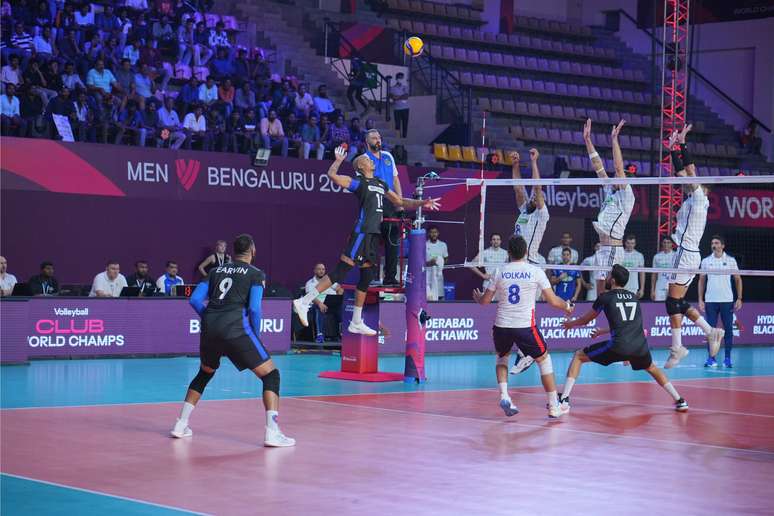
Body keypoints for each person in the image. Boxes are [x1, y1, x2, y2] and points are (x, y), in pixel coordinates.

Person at [292, 146, 440, 335]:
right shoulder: (359, 183)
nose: (371, 161)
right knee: (341, 271)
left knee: (367, 275)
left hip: (373, 235)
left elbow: (400, 202)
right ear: (361, 166)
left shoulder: (380, 183)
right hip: (362, 232)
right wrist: (338, 160)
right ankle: (304, 302)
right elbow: (333, 176)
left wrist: (422, 203)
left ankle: (356, 321)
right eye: (367, 160)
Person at [170, 234, 295, 447]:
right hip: (237, 329)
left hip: (210, 328)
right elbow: (255, 308)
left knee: (205, 372)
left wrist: (210, 317)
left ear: (233, 252)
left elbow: (194, 300)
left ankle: (180, 425)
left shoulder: (214, 271)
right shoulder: (255, 274)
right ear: (253, 250)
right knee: (271, 375)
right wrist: (255, 334)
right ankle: (272, 432)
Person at [560, 264, 689, 413]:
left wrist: (570, 324)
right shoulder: (634, 297)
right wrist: (602, 331)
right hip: (640, 346)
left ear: (613, 280)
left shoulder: (605, 298)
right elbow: (628, 324)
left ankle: (564, 399)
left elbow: (585, 320)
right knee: (652, 368)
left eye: (609, 275)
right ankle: (680, 400)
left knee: (579, 356)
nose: (607, 277)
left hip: (619, 346)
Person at [473, 235, 574, 418]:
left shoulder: (499, 271)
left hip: (502, 325)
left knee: (502, 358)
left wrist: (478, 298)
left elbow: (485, 301)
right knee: (543, 358)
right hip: (525, 326)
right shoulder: (535, 271)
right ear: (526, 252)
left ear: (508, 253)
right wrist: (567, 307)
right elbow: (552, 300)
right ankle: (554, 406)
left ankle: (504, 395)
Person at [662, 124, 724, 368]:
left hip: (686, 253)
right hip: (690, 254)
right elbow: (681, 172)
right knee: (678, 302)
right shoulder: (691, 198)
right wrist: (672, 148)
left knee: (671, 301)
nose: (691, 181)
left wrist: (683, 143)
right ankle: (710, 331)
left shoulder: (700, 198)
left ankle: (677, 347)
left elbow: (689, 169)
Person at [584, 118, 635, 295]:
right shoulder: (610, 189)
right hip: (603, 249)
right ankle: (601, 323)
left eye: (619, 176)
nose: (614, 176)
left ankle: (616, 323)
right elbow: (598, 166)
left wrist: (614, 139)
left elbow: (619, 168)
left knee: (610, 296)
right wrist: (588, 140)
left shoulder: (627, 195)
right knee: (600, 297)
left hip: (613, 249)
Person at [363, 129, 403, 286]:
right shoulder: (364, 159)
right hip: (374, 201)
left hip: (391, 201)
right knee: (372, 242)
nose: (377, 140)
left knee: (393, 241)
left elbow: (396, 179)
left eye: (379, 137)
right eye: (374, 138)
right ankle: (370, 277)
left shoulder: (388, 156)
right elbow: (366, 185)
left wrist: (399, 202)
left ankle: (390, 277)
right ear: (367, 142)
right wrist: (375, 208)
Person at [698, 235, 742, 368]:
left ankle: (727, 358)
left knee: (728, 330)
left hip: (727, 300)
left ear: (722, 246)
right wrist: (701, 299)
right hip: (710, 301)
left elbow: (738, 279)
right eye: (712, 243)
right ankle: (711, 358)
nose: (714, 245)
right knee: (710, 331)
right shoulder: (706, 261)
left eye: (716, 243)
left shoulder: (730, 261)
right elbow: (701, 280)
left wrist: (739, 298)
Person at [512, 149, 549, 264]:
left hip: (529, 260)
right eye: (533, 196)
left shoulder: (542, 214)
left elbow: (537, 188)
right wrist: (515, 164)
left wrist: (534, 162)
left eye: (538, 197)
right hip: (514, 259)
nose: (534, 197)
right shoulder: (524, 210)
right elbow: (518, 189)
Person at [305, 263, 344, 344]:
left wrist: (338, 297)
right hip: (317, 305)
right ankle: (320, 335)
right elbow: (310, 297)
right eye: (319, 269)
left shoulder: (329, 281)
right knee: (319, 308)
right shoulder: (310, 283)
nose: (321, 271)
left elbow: (340, 289)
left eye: (323, 269)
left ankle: (343, 333)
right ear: (315, 270)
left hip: (331, 304)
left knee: (342, 308)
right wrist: (320, 303)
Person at [425, 226, 449, 301]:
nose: (434, 234)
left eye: (435, 232)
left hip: (438, 276)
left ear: (438, 233)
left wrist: (440, 263)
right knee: (429, 298)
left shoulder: (443, 245)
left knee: (440, 297)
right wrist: (430, 263)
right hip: (428, 276)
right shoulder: (424, 245)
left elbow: (446, 259)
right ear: (429, 234)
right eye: (432, 232)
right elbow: (421, 262)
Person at [650, 237, 674, 302]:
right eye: (664, 242)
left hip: (672, 286)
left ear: (672, 244)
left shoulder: (675, 256)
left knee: (671, 307)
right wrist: (652, 290)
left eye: (668, 243)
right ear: (662, 244)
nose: (666, 244)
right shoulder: (657, 257)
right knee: (659, 308)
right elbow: (654, 275)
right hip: (659, 287)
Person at [621, 234, 645, 298]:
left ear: (635, 244)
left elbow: (642, 274)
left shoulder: (639, 255)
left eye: (632, 243)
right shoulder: (619, 254)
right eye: (628, 243)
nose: (630, 245)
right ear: (625, 243)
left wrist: (642, 289)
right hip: (621, 286)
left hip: (633, 286)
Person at [390, 72, 409, 138]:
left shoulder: (405, 87)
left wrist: (397, 97)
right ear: (396, 78)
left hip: (405, 108)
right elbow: (392, 97)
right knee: (397, 125)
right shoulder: (392, 88)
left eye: (401, 78)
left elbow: (406, 96)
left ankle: (404, 138)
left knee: (405, 125)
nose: (400, 79)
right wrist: (400, 96)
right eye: (399, 78)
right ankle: (398, 139)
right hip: (397, 109)